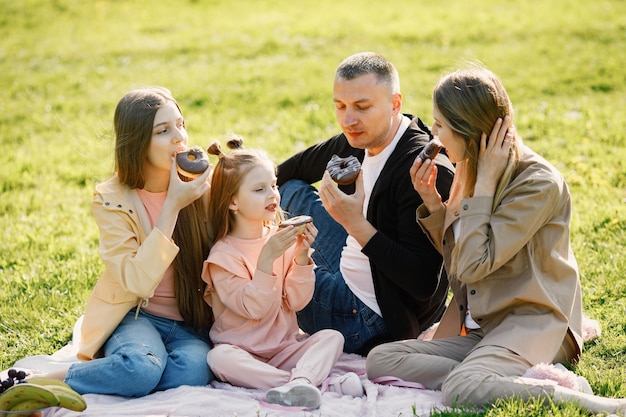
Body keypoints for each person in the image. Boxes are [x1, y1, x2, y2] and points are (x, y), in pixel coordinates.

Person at [366, 66, 626, 414]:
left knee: (459, 389)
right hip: (486, 325)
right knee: (381, 360)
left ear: (468, 128)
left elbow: (474, 264)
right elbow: (459, 261)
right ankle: (494, 374)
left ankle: (581, 398)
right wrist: (432, 203)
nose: (434, 134)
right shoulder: (467, 168)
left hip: (532, 322)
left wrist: (485, 188)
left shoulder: (537, 182)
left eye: (440, 124)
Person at [277, 52, 455, 355]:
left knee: (273, 276)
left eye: (362, 107)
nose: (348, 119)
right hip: (359, 260)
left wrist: (354, 223)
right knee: (290, 190)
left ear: (395, 104)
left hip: (372, 317)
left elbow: (424, 283)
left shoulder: (420, 171)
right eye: (340, 106)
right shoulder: (361, 138)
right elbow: (287, 173)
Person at [44, 87, 215, 397]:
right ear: (138, 142)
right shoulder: (112, 200)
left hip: (188, 322)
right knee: (141, 367)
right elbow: (136, 282)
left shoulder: (203, 186)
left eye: (181, 124)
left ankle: (129, 374)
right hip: (136, 315)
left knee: (195, 369)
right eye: (163, 130)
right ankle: (48, 379)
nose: (179, 137)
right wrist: (172, 206)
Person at [202, 138, 364, 409]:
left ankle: (298, 383)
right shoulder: (223, 257)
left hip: (285, 348)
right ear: (232, 202)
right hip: (243, 353)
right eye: (259, 189)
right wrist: (266, 260)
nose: (273, 195)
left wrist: (301, 258)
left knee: (332, 337)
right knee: (218, 359)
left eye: (274, 185)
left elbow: (297, 303)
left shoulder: (281, 239)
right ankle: (307, 382)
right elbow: (255, 308)